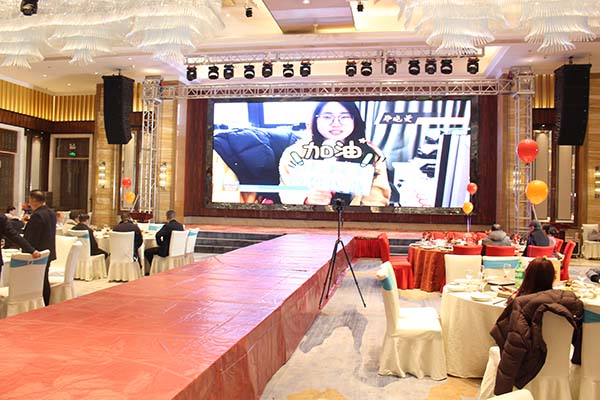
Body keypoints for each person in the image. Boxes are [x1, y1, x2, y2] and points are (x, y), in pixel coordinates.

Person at [489, 257, 583, 396]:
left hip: (529, 367)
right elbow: (580, 338)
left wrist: (502, 392)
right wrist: (577, 360)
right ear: (553, 277)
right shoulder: (573, 302)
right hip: (560, 364)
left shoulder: (521, 305)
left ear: (527, 276)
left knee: (495, 353)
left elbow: (514, 349)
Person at [279, 101, 391, 206]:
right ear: (316, 120)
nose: (336, 123)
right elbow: (286, 192)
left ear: (354, 120)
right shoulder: (295, 152)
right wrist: (306, 199)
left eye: (344, 117)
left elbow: (377, 199)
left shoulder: (371, 153)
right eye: (327, 117)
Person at [23, 190, 57, 306]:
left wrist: (28, 250)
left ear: (33, 200)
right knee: (44, 279)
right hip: (48, 251)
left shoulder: (37, 215)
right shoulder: (51, 212)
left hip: (37, 253)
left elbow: (32, 237)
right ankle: (45, 303)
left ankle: (40, 303)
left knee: (38, 281)